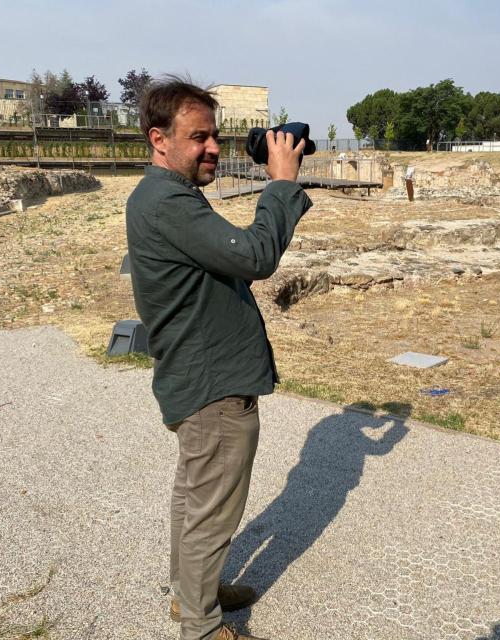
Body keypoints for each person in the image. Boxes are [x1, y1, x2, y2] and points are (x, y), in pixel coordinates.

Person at [125, 76, 312, 640]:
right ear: (160, 139)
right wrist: (280, 185)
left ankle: (194, 595)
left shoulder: (165, 196)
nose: (213, 148)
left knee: (194, 500)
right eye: (198, 137)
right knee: (211, 512)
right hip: (213, 387)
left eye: (216, 136)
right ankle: (202, 628)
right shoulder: (166, 202)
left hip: (197, 376)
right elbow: (254, 255)